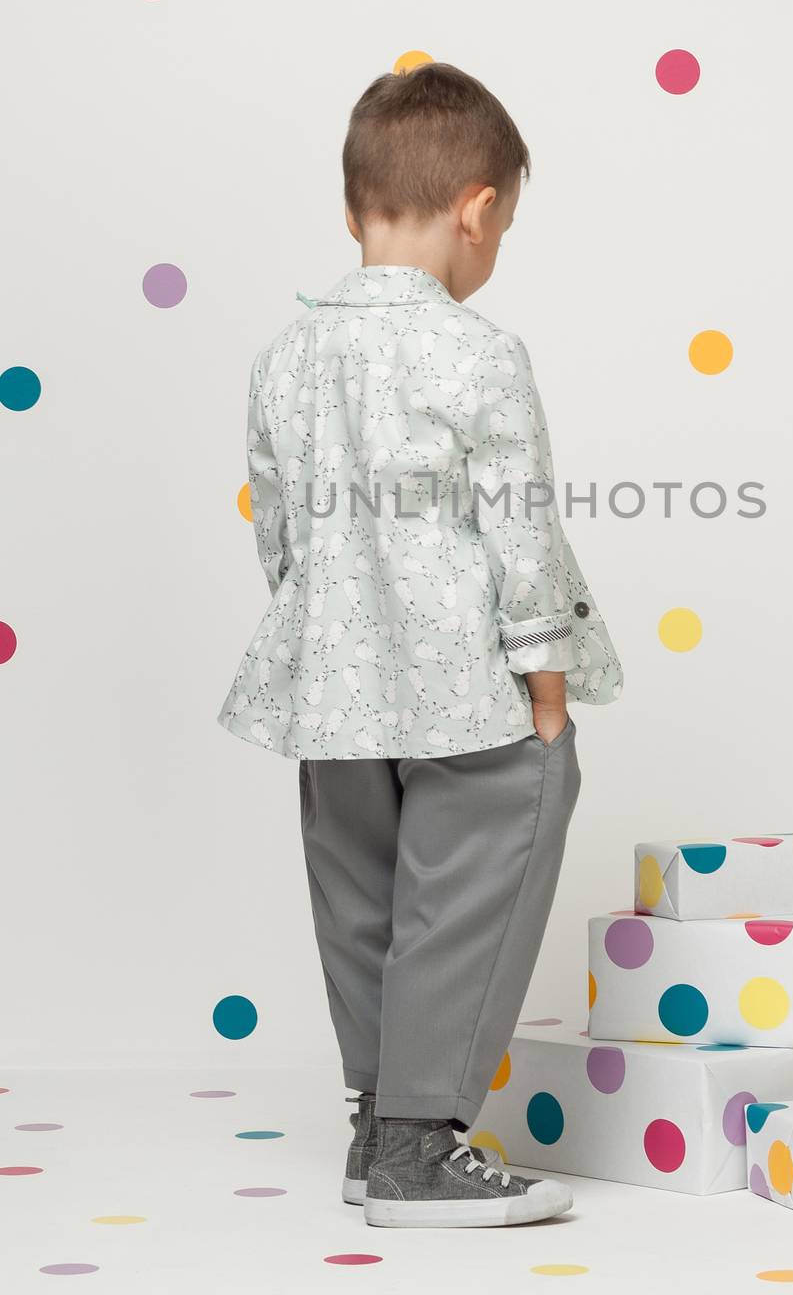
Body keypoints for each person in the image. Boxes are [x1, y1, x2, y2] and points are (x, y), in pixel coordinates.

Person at [216, 61, 623, 1227]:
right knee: (474, 879)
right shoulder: (479, 354)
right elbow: (519, 533)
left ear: (353, 211)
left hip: (325, 686)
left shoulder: (282, 359)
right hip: (465, 686)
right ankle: (417, 1144)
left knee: (361, 893)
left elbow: (282, 531)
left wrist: (322, 634)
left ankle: (372, 1123)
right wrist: (546, 686)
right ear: (479, 209)